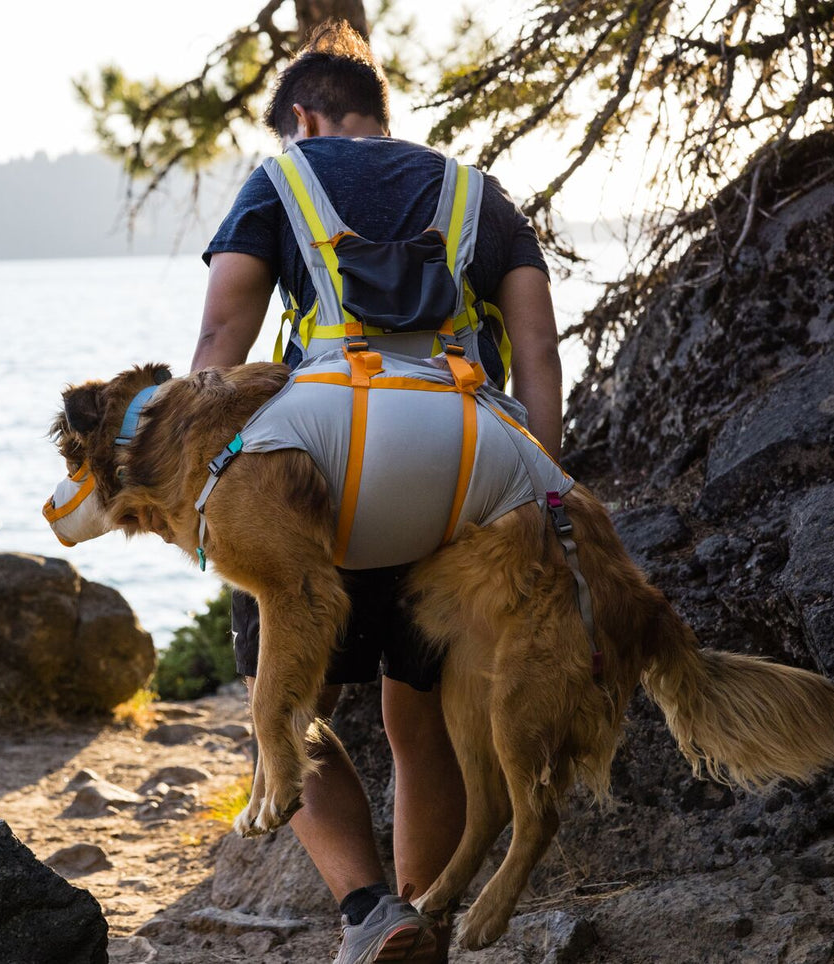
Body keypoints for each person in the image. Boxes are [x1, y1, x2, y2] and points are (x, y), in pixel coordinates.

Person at [191, 20, 562, 964]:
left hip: (326, 465)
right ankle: (422, 906)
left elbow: (218, 343)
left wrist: (209, 501)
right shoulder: (480, 194)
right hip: (465, 467)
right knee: (418, 709)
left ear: (305, 116)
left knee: (285, 709)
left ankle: (367, 913)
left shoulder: (282, 179)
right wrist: (542, 497)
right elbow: (537, 352)